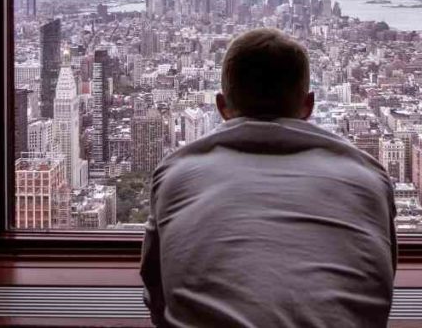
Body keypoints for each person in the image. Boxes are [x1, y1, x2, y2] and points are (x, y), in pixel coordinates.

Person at [140, 28, 397, 327]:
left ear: (222, 106)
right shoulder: (367, 178)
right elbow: (382, 281)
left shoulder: (176, 174)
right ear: (308, 105)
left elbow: (155, 290)